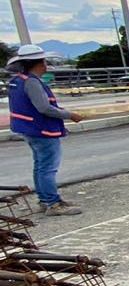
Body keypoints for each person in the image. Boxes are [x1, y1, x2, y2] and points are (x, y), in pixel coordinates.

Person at [7, 45, 84, 216]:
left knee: (40, 166)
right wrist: (69, 114)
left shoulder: (17, 80)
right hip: (41, 130)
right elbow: (44, 108)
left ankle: (45, 199)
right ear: (41, 63)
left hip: (28, 129)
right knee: (48, 167)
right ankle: (53, 203)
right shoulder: (32, 82)